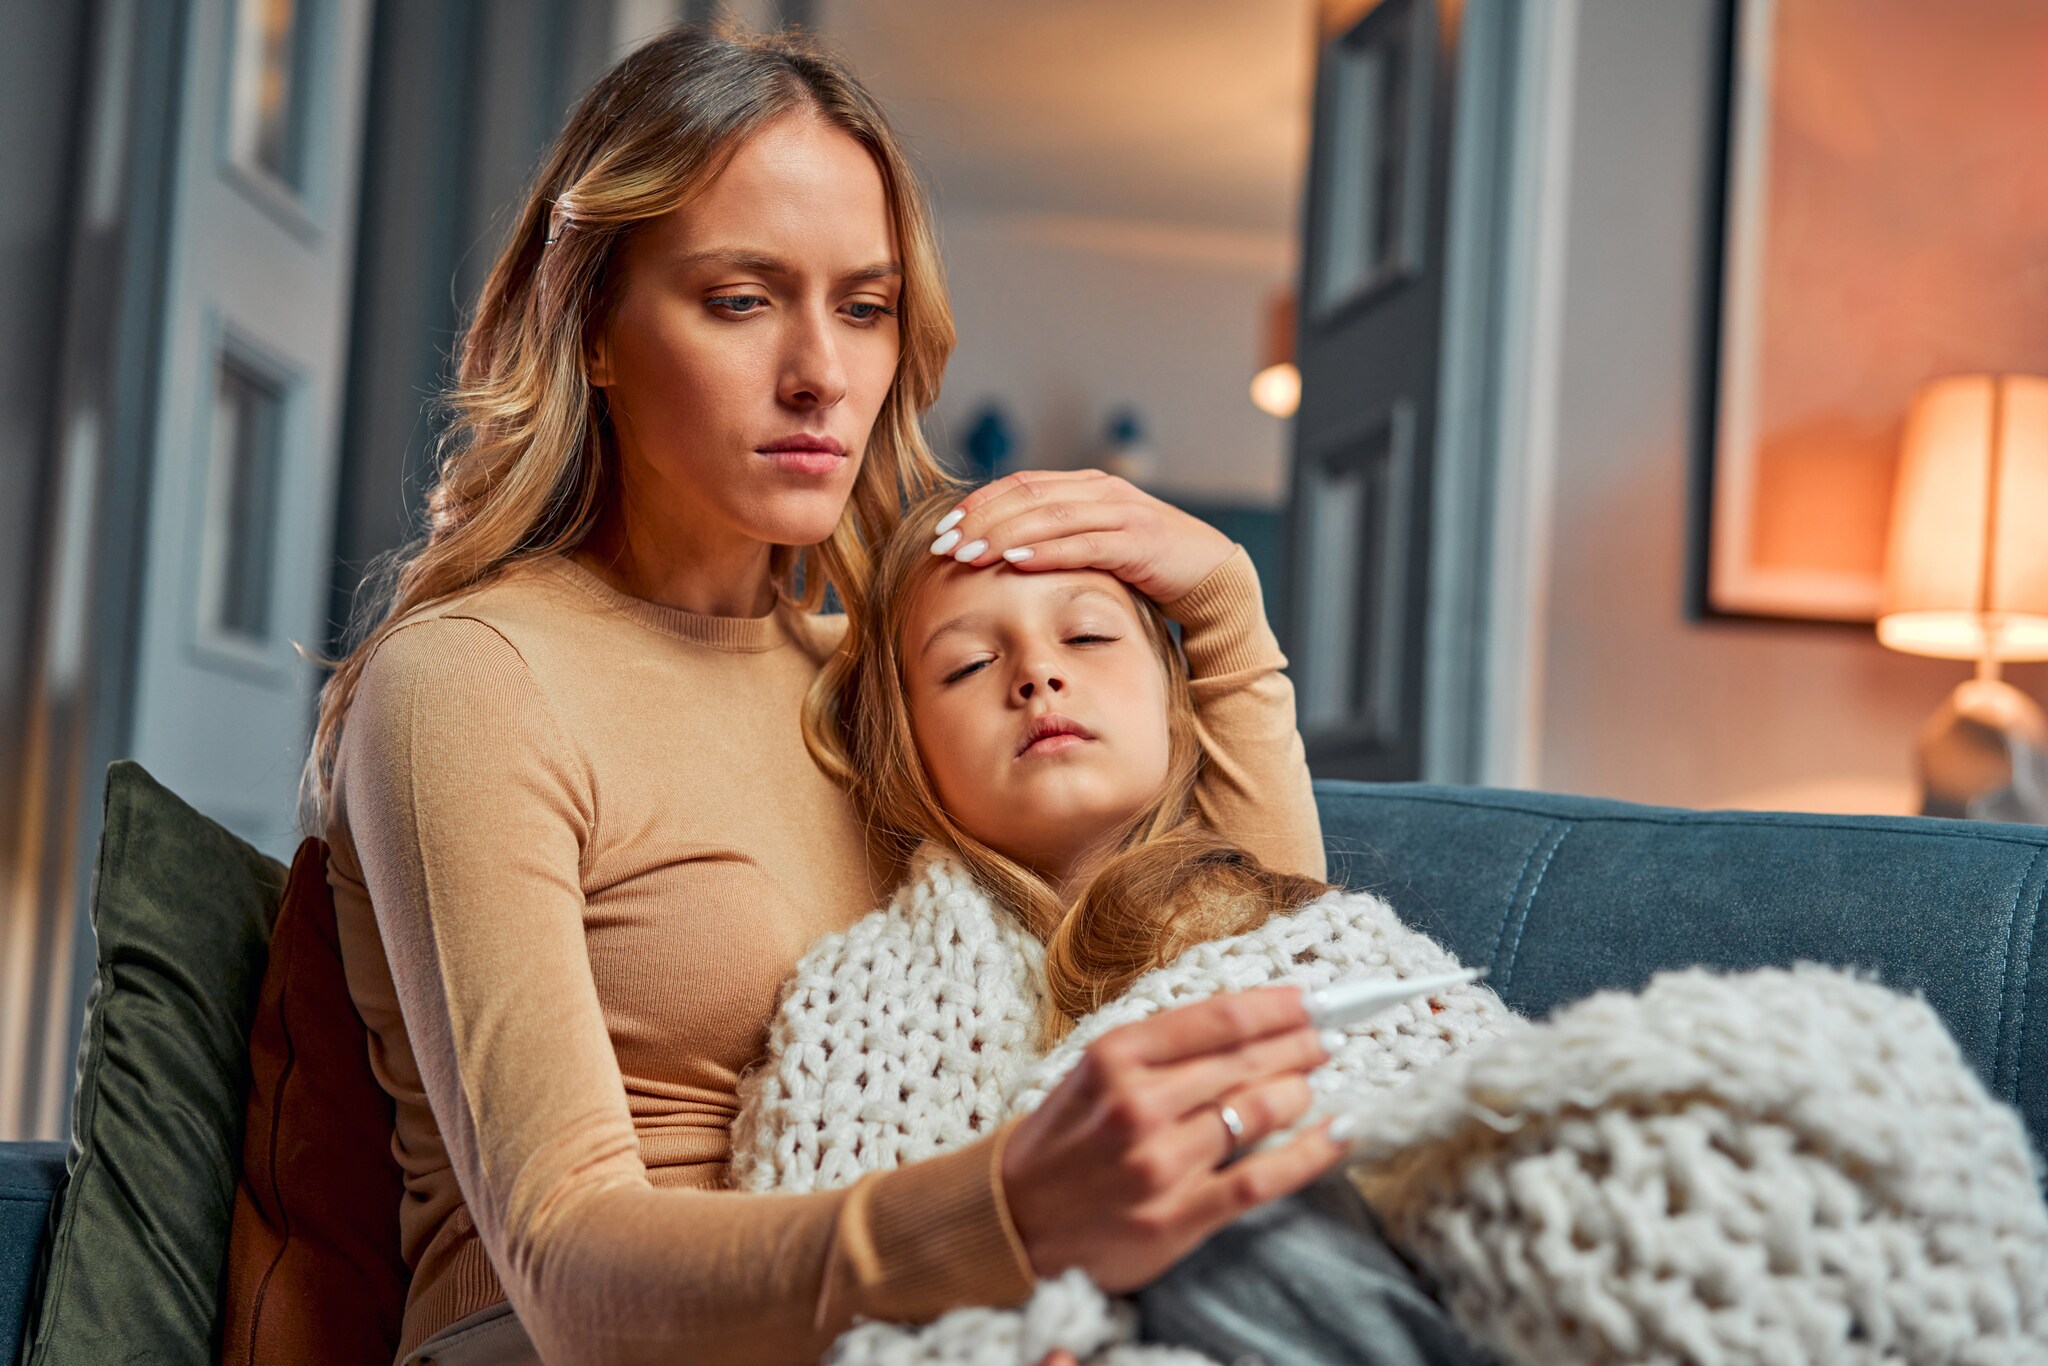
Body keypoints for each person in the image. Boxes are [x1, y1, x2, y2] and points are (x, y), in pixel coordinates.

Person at [307, 25, 1337, 1366]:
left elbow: (1261, 974)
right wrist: (1014, 1214)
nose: (824, 374)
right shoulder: (472, 677)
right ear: (594, 324)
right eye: (741, 299)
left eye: (864, 306)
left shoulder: (898, 678)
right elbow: (563, 1260)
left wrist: (1225, 612)